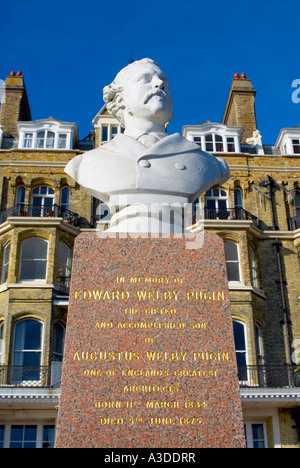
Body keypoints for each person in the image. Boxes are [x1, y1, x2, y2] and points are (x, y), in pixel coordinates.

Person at [65, 59, 230, 232]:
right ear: (120, 98)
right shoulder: (87, 163)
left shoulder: (207, 163)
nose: (159, 84)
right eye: (145, 79)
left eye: (164, 81)